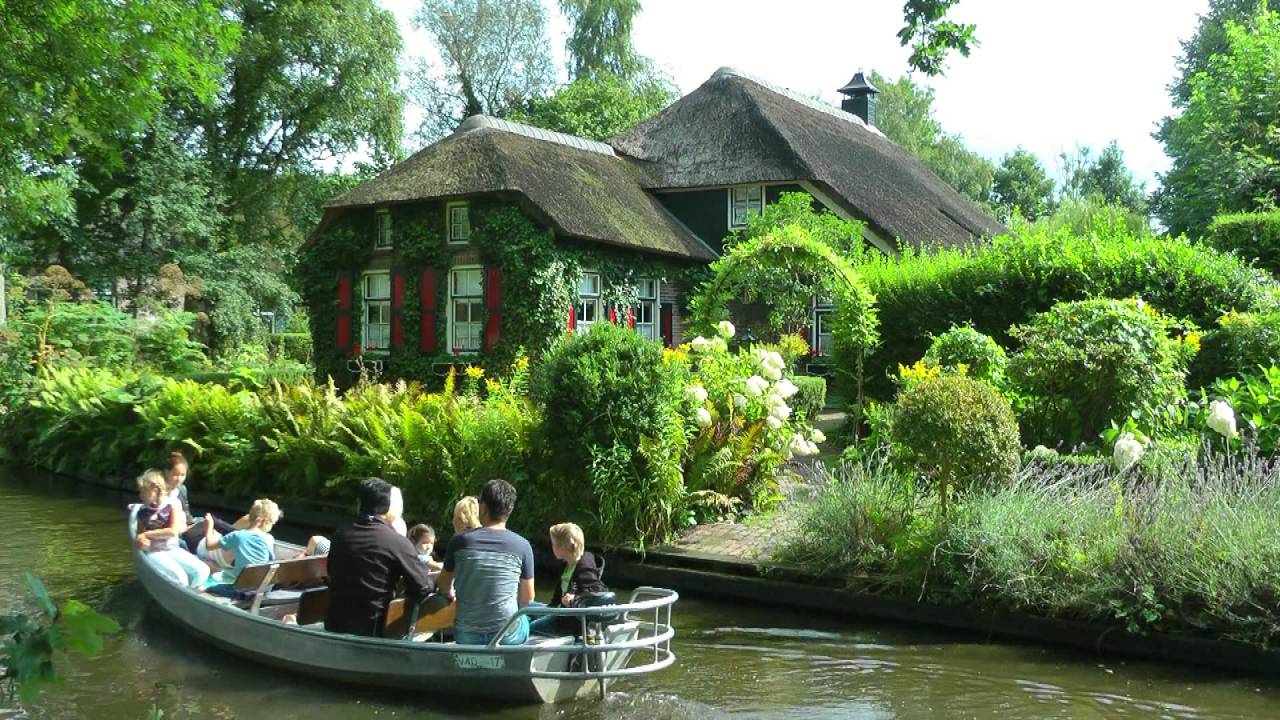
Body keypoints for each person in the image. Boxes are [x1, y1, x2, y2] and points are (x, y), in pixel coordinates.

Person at [325, 478, 436, 637]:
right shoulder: (397, 542)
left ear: (359, 504)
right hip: (373, 630)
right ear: (389, 508)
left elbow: (330, 571)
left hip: (335, 624)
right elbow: (422, 586)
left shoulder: (340, 534)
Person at [439, 479, 535, 646]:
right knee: (526, 617)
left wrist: (451, 594)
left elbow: (443, 586)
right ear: (510, 510)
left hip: (467, 634)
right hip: (506, 636)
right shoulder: (522, 546)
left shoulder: (459, 541)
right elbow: (527, 599)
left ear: (483, 508)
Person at [134, 470, 210, 588]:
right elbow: (139, 536)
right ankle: (186, 597)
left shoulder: (171, 505)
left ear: (155, 489)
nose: (140, 495)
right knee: (181, 578)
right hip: (155, 552)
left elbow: (172, 531)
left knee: (203, 570)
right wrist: (141, 540)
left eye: (143, 491)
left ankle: (192, 595)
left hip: (172, 549)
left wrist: (146, 534)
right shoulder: (142, 512)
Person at [530, 523, 608, 637]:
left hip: (569, 622)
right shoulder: (568, 564)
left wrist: (575, 599)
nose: (551, 547)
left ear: (563, 547)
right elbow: (557, 598)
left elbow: (599, 590)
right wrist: (552, 607)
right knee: (524, 606)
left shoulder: (584, 567)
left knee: (530, 628)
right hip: (559, 611)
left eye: (553, 544)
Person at [202, 499, 281, 592]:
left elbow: (209, 545)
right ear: (266, 522)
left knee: (206, 589)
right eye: (272, 523)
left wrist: (209, 527)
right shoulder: (269, 539)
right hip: (263, 588)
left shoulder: (237, 535)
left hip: (242, 590)